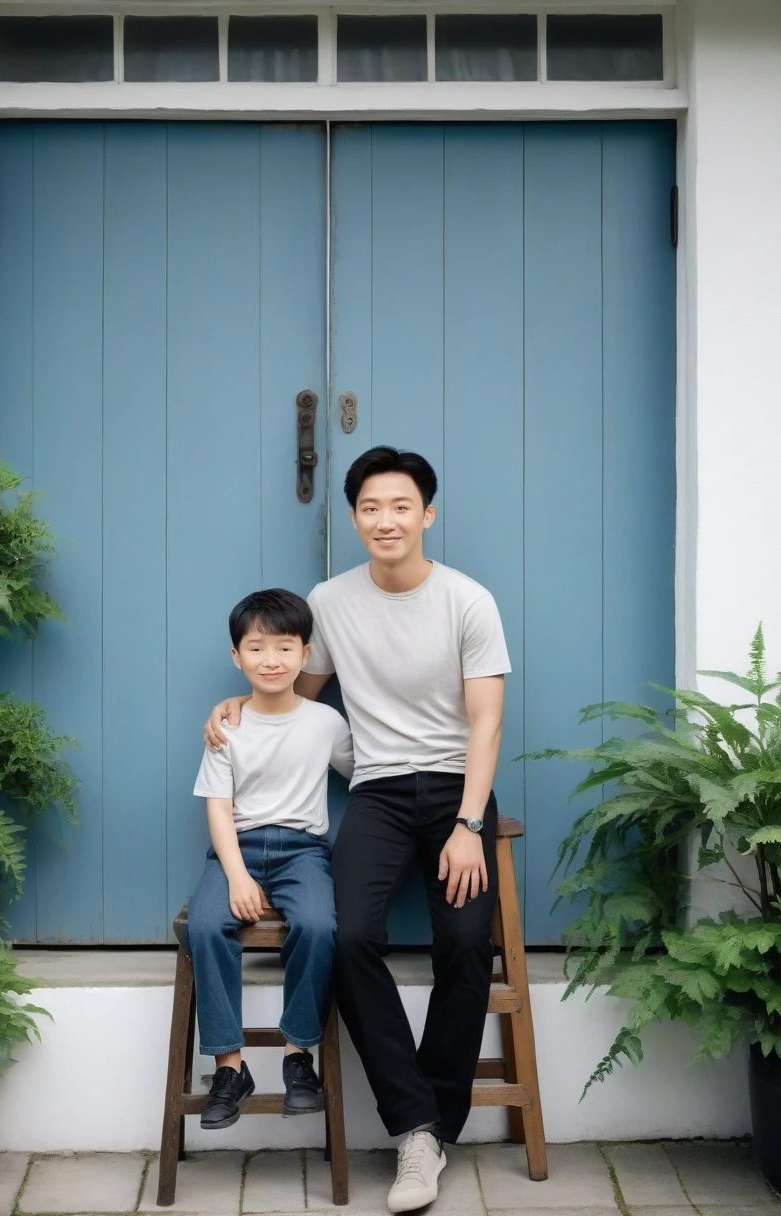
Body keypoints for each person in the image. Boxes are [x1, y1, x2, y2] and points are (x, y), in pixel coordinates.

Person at [204, 447, 509, 1210]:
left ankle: (431, 1129)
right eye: (371, 507)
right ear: (353, 517)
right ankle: (414, 1127)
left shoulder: (468, 600)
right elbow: (294, 694)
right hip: (374, 789)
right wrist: (234, 710)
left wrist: (470, 821)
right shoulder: (330, 600)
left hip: (455, 793)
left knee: (469, 943)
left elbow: (486, 720)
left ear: (427, 514)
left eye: (401, 506)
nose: (386, 520)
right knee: (348, 937)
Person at [188, 588, 354, 1131]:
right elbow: (217, 809)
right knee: (208, 926)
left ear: (306, 655)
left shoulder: (325, 723)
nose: (271, 660)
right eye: (257, 648)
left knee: (318, 925)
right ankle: (229, 1068)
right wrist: (236, 875)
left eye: (285, 648)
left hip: (303, 851)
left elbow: (366, 774)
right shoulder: (226, 727)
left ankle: (297, 1056)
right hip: (238, 847)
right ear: (237, 657)